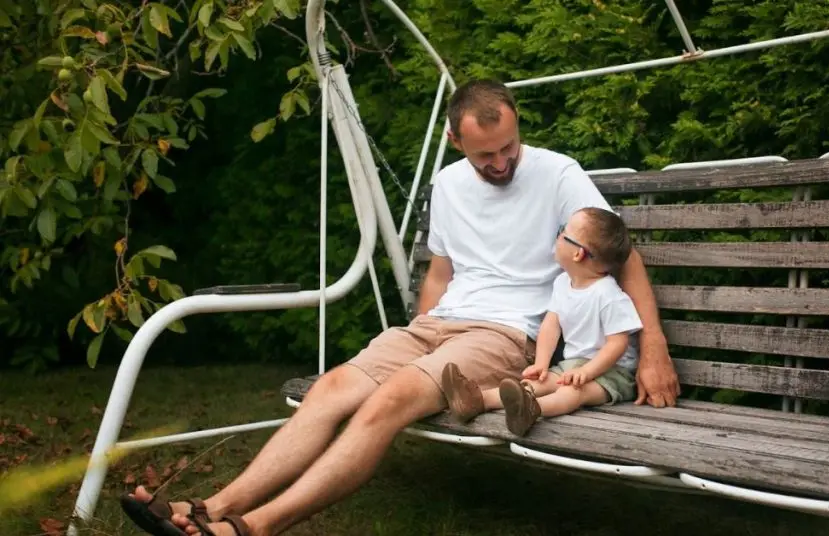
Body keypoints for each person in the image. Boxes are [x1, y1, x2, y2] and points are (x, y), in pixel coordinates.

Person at [119, 78, 680, 536]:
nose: (504, 162)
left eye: (510, 146)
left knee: (389, 400)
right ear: (456, 141)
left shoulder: (557, 173)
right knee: (332, 388)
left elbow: (621, 256)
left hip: (509, 334)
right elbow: (441, 268)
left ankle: (254, 528)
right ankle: (212, 508)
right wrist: (422, 325)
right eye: (487, 154)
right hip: (440, 324)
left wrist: (652, 345)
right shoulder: (448, 184)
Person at [441, 206, 642, 436]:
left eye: (562, 232)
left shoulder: (608, 295)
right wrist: (541, 363)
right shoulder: (562, 284)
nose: (557, 236)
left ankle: (532, 411)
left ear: (578, 254)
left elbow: (618, 343)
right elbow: (551, 324)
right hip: (574, 365)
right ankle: (477, 400)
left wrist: (587, 371)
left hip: (613, 373)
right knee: (537, 384)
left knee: (574, 392)